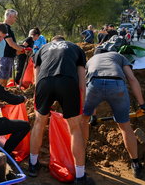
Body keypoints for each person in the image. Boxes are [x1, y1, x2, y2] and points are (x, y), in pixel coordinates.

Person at [29, 36, 94, 184]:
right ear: (64, 41)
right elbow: (82, 83)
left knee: (39, 123)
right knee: (75, 128)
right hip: (68, 82)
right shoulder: (76, 48)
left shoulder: (42, 49)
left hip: (44, 81)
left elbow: (36, 79)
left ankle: (33, 165)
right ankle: (80, 175)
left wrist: (38, 97)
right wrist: (81, 106)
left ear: (53, 41)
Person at [82, 51, 145, 178]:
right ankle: (136, 165)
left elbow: (88, 85)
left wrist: (92, 116)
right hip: (116, 85)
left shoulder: (91, 60)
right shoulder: (118, 55)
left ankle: (81, 159)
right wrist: (142, 104)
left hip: (94, 84)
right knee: (125, 126)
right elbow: (131, 79)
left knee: (83, 122)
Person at [0, 9, 26, 87]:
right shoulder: (4, 27)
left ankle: (1, 96)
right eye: (15, 17)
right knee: (2, 79)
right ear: (9, 16)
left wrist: (19, 50)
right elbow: (11, 43)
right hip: (5, 56)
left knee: (5, 79)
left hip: (8, 57)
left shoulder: (8, 28)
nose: (15, 19)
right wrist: (22, 49)